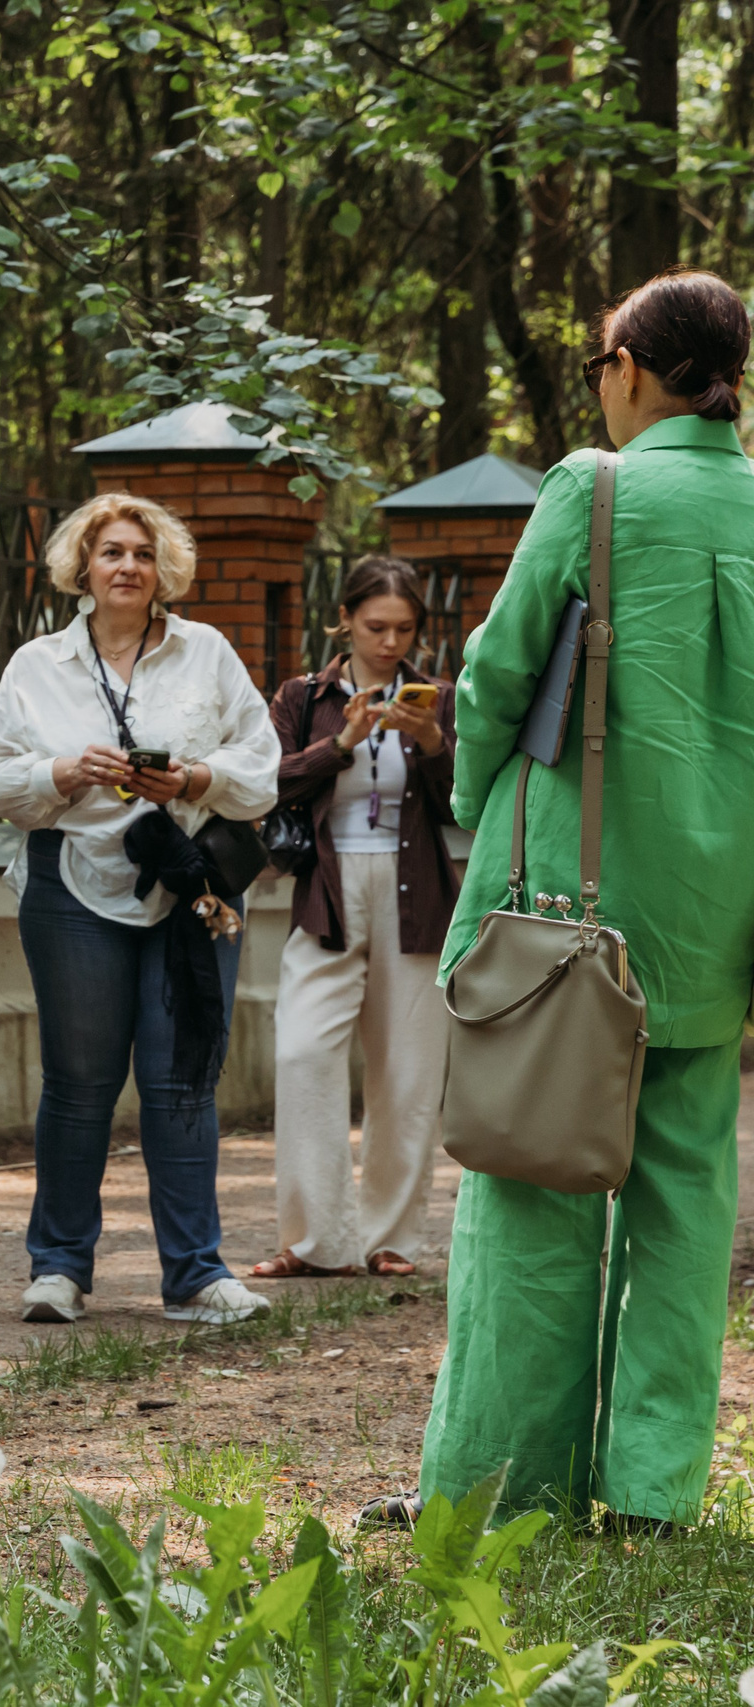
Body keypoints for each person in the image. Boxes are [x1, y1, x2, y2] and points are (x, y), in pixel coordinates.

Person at [366, 269, 754, 1533]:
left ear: (634, 367)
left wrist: (478, 800)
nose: (601, 382)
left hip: (571, 912)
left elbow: (493, 673)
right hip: (721, 920)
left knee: (533, 1191)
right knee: (687, 1199)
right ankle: (653, 1491)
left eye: (601, 361)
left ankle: (504, 1487)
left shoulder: (592, 487)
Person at [0, 493, 281, 1328]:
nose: (127, 567)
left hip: (191, 889)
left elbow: (262, 765)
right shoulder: (38, 665)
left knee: (183, 1083)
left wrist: (193, 780)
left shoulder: (206, 652)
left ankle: (195, 1272)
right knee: (79, 1085)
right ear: (83, 565)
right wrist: (63, 772)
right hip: (73, 887)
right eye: (111, 552)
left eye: (142, 554)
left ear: (162, 569)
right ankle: (59, 1268)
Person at [255, 557, 456, 1282]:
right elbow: (266, 780)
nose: (391, 641)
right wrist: (340, 744)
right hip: (328, 892)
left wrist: (432, 742)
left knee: (408, 1071)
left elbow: (466, 801)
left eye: (404, 629)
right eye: (376, 626)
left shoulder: (440, 699)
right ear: (345, 619)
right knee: (303, 1053)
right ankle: (313, 1239)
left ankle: (391, 1237)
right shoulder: (303, 696)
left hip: (418, 894)